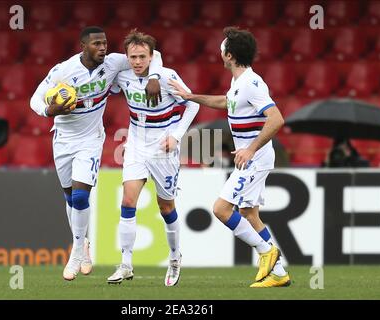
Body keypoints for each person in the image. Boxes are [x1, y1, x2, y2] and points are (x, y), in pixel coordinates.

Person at [30, 26, 163, 281]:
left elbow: (151, 54)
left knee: (81, 197)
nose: (103, 47)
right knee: (70, 198)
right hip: (63, 140)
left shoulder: (113, 63)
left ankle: (76, 253)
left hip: (91, 140)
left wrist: (154, 76)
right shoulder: (63, 71)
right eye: (97, 44)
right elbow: (35, 99)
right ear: (83, 45)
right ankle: (83, 244)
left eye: (104, 43)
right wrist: (50, 111)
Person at [169, 26, 290, 287]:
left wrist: (250, 148)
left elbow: (277, 119)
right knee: (249, 213)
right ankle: (279, 273)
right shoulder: (239, 82)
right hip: (251, 158)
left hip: (253, 159)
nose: (219, 51)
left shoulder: (252, 83)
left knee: (221, 209)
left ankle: (267, 252)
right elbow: (226, 102)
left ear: (230, 55)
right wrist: (192, 97)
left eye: (223, 48)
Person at [106, 30, 199, 287]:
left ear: (151, 56)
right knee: (127, 200)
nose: (137, 62)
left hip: (163, 148)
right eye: (133, 57)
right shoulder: (123, 76)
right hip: (135, 144)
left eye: (142, 57)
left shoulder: (167, 76)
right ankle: (125, 264)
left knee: (165, 206)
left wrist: (177, 136)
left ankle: (174, 257)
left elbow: (193, 104)